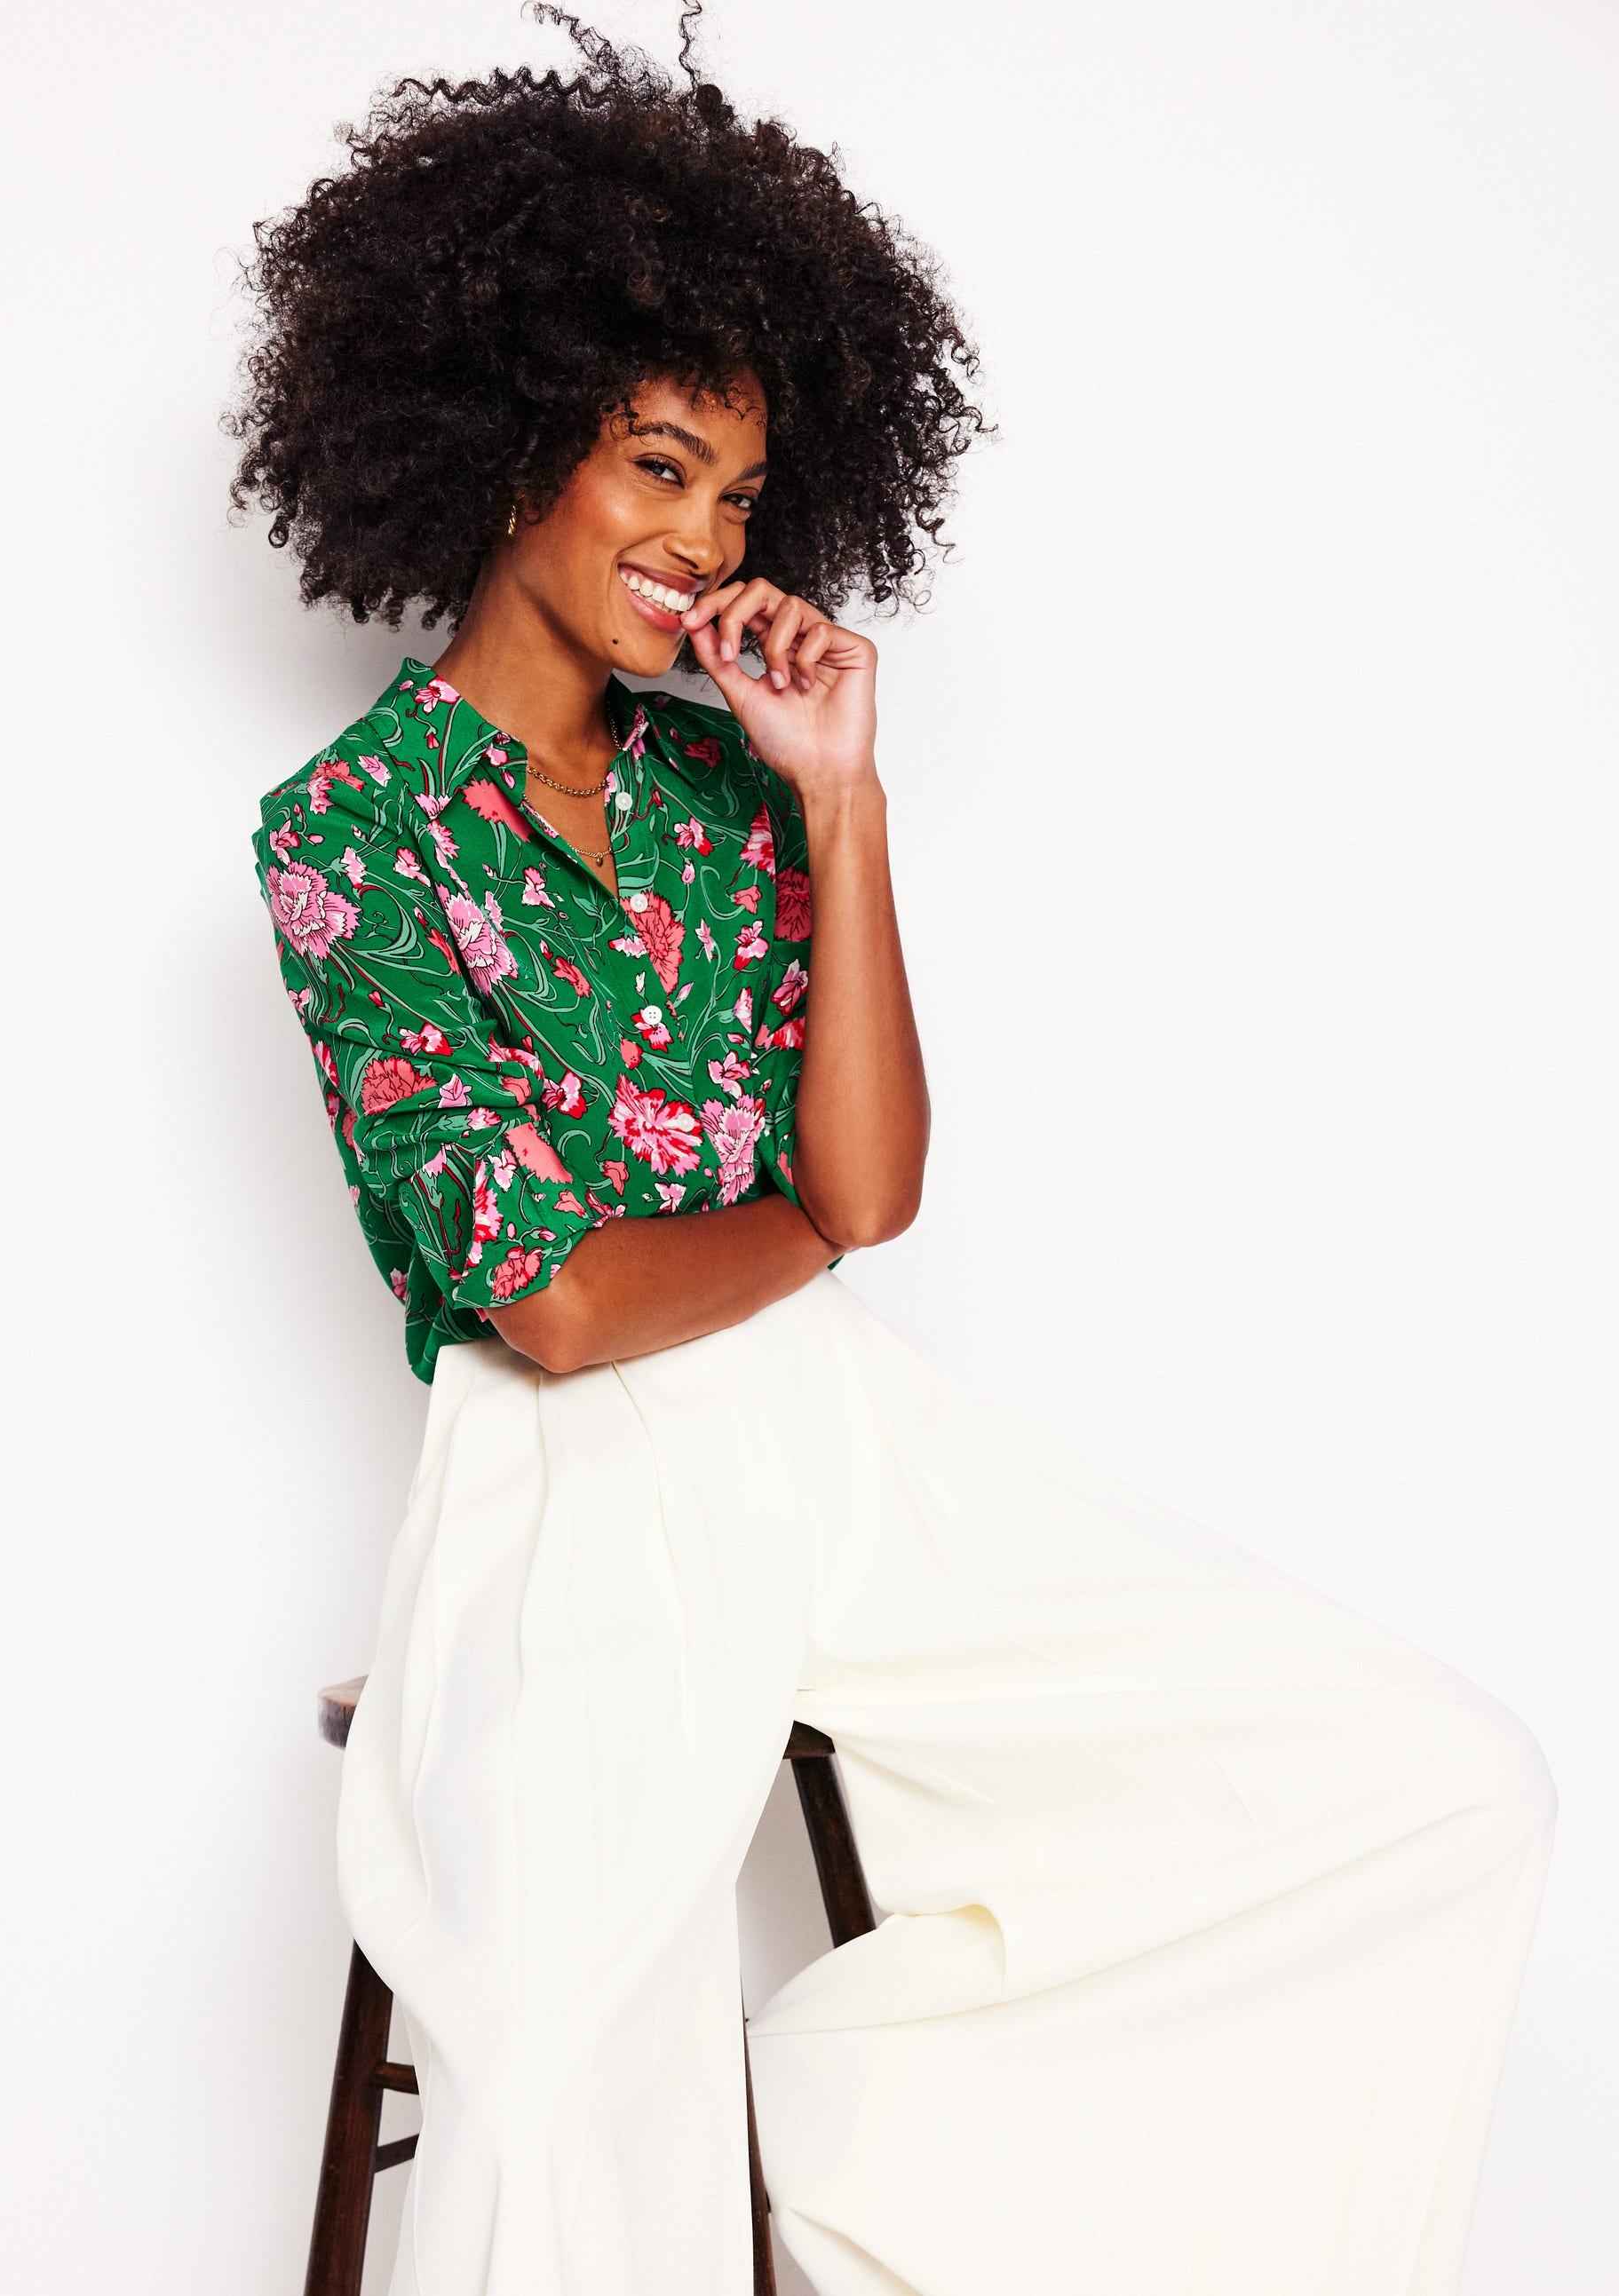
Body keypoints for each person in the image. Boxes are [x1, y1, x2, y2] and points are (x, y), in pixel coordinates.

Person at [230, 17, 1557, 2293]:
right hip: (565, 1500)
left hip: (846, 1450)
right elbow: (557, 1306)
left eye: (738, 498)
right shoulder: (343, 831)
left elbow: (875, 1184)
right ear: (511, 444)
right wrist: (793, 1229)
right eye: (657, 468)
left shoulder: (731, 793)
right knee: (550, 2069)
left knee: (1434, 1778)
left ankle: (844, 2137)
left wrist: (838, 795)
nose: (700, 541)